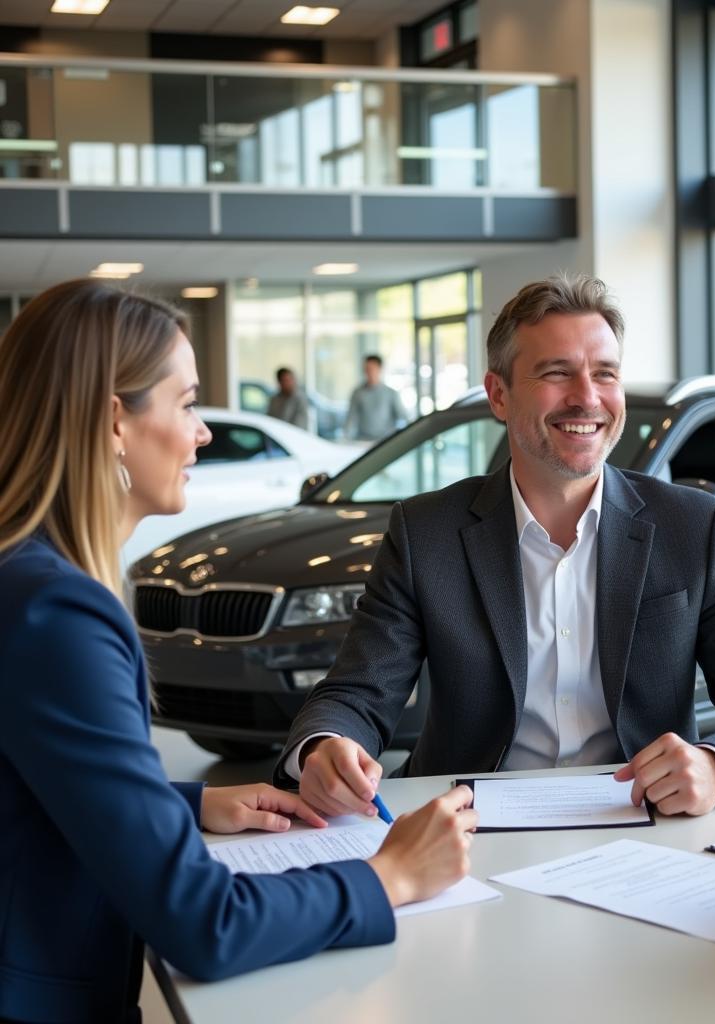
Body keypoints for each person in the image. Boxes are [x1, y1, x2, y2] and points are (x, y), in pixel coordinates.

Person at [0, 280, 477, 1024]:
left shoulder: (24, 578)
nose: (203, 433)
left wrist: (187, 805)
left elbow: (34, 794)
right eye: (186, 404)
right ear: (112, 421)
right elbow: (203, 923)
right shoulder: (57, 612)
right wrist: (389, 877)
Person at [275, 274, 715, 820]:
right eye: (557, 373)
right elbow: (358, 692)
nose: (587, 397)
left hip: (646, 825)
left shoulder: (692, 527)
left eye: (604, 374)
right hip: (466, 829)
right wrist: (325, 749)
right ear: (498, 395)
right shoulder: (426, 533)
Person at [345, 354, 407, 440]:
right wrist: (346, 438)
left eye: (372, 369)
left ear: (380, 369)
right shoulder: (358, 393)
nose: (369, 372)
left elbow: (403, 417)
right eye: (366, 369)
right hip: (363, 440)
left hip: (385, 441)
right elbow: (351, 418)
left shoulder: (391, 393)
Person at [267, 365, 312, 431]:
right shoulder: (275, 399)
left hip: (292, 437)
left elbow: (299, 425)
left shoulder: (299, 399)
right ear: (279, 382)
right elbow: (270, 420)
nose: (290, 383)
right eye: (285, 380)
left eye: (291, 379)